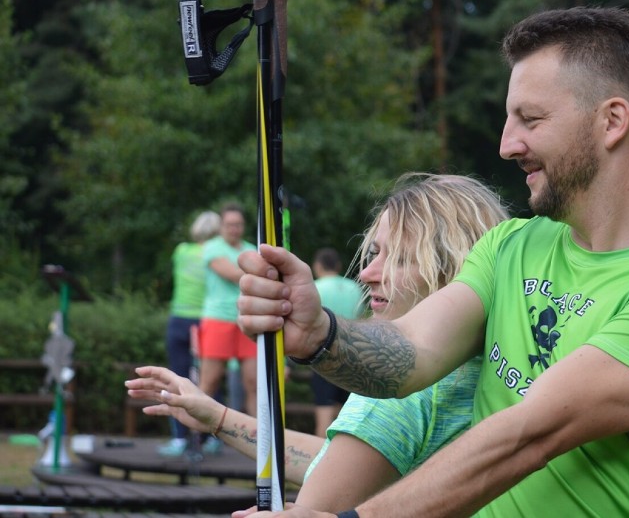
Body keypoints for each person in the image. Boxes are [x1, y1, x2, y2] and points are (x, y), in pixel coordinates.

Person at [236, 7, 629, 517]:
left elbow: (532, 431)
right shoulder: (511, 245)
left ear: (613, 121)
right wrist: (319, 334)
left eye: (530, 119)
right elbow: (412, 351)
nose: (508, 145)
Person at [125, 173, 509, 511]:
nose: (368, 273)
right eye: (374, 253)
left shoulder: (401, 390)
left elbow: (322, 495)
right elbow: (342, 463)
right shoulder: (489, 367)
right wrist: (219, 419)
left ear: (457, 269)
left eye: (402, 258)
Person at [158, 210, 221, 457]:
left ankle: (179, 438)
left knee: (177, 378)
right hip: (205, 319)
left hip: (178, 319)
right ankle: (211, 437)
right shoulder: (217, 254)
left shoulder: (181, 251)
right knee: (209, 379)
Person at [198, 201, 257, 454]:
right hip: (217, 320)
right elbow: (232, 274)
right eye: (230, 224)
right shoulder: (212, 247)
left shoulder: (251, 249)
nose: (234, 229)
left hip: (247, 320)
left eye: (238, 224)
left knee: (254, 384)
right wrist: (257, 276)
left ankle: (259, 442)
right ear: (221, 226)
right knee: (209, 382)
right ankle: (196, 441)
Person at [309, 247, 364, 437]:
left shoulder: (314, 288)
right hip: (351, 358)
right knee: (347, 423)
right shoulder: (354, 287)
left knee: (323, 417)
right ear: (338, 265)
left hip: (323, 358)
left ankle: (318, 462)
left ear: (317, 266)